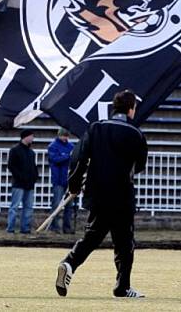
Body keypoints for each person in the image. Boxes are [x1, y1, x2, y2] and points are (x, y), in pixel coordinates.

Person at [55, 89, 148, 299]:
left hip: (97, 192)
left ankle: (69, 263)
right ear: (131, 109)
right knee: (124, 242)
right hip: (121, 194)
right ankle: (122, 286)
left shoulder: (95, 128)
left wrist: (75, 184)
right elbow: (139, 165)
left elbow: (78, 158)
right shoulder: (136, 133)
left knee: (92, 236)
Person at [6, 129, 38, 234]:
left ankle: (25, 228)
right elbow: (11, 166)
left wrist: (34, 177)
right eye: (31, 136)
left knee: (27, 207)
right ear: (26, 137)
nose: (32, 139)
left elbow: (33, 167)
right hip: (19, 183)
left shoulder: (31, 152)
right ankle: (11, 228)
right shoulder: (15, 150)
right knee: (15, 206)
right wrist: (21, 177)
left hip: (28, 183)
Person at [48, 128, 75, 234]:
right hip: (58, 179)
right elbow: (55, 159)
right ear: (59, 135)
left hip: (69, 180)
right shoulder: (53, 146)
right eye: (63, 136)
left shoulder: (71, 146)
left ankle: (67, 227)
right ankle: (54, 227)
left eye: (67, 136)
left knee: (69, 205)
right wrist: (67, 156)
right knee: (56, 204)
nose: (65, 138)